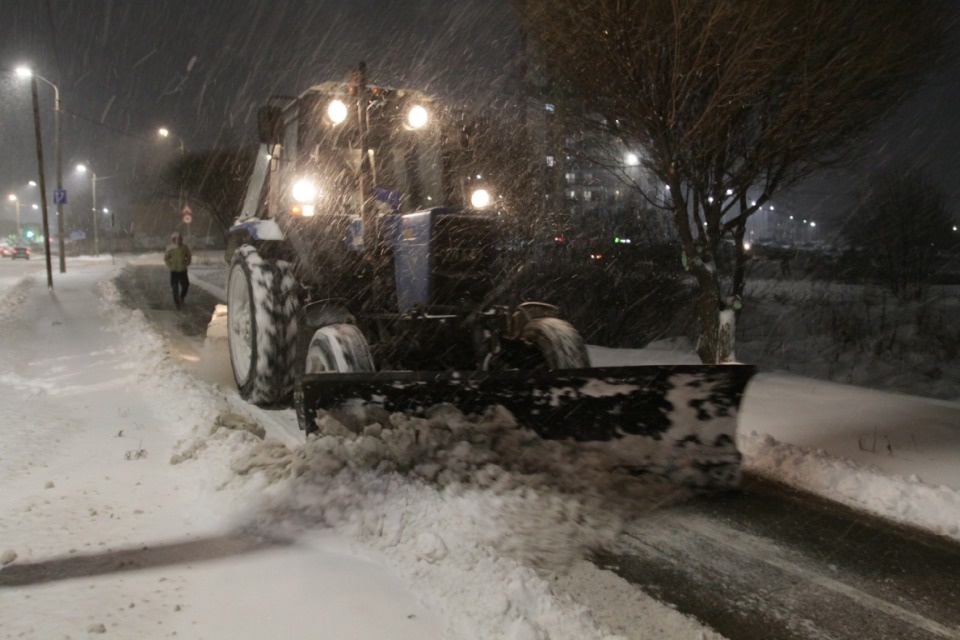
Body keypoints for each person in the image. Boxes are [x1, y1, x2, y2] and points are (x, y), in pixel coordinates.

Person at [164, 231, 192, 309]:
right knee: (175, 287)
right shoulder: (170, 248)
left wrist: (186, 263)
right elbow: (166, 258)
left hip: (183, 270)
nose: (178, 241)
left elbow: (189, 256)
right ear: (173, 240)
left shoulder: (184, 247)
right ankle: (177, 302)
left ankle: (182, 296)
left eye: (179, 239)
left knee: (185, 285)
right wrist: (171, 265)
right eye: (176, 239)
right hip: (174, 271)